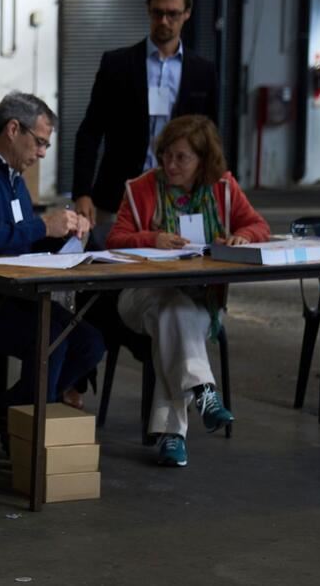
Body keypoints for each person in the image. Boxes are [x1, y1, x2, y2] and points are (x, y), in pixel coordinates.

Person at [107, 115, 269, 467]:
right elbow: (114, 240)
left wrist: (244, 236)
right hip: (140, 297)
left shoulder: (223, 188)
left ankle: (174, 432)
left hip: (201, 300)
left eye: (182, 157)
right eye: (166, 155)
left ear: (203, 160)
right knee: (171, 308)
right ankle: (203, 393)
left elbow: (258, 225)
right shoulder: (141, 188)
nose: (170, 164)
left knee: (174, 315)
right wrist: (152, 238)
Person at [0, 92, 106, 414]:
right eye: (40, 142)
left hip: (13, 295)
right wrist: (44, 226)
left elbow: (22, 243)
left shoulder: (15, 181)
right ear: (14, 129)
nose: (43, 153)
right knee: (51, 337)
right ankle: (25, 426)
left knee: (89, 342)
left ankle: (7, 413)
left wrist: (66, 237)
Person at [73, 0, 218, 246]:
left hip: (181, 195)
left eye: (173, 14)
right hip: (116, 193)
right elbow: (90, 131)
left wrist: (213, 191)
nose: (164, 21)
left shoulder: (203, 72)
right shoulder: (116, 65)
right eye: (157, 12)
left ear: (187, 13)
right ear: (148, 10)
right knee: (109, 273)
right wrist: (82, 192)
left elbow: (212, 140)